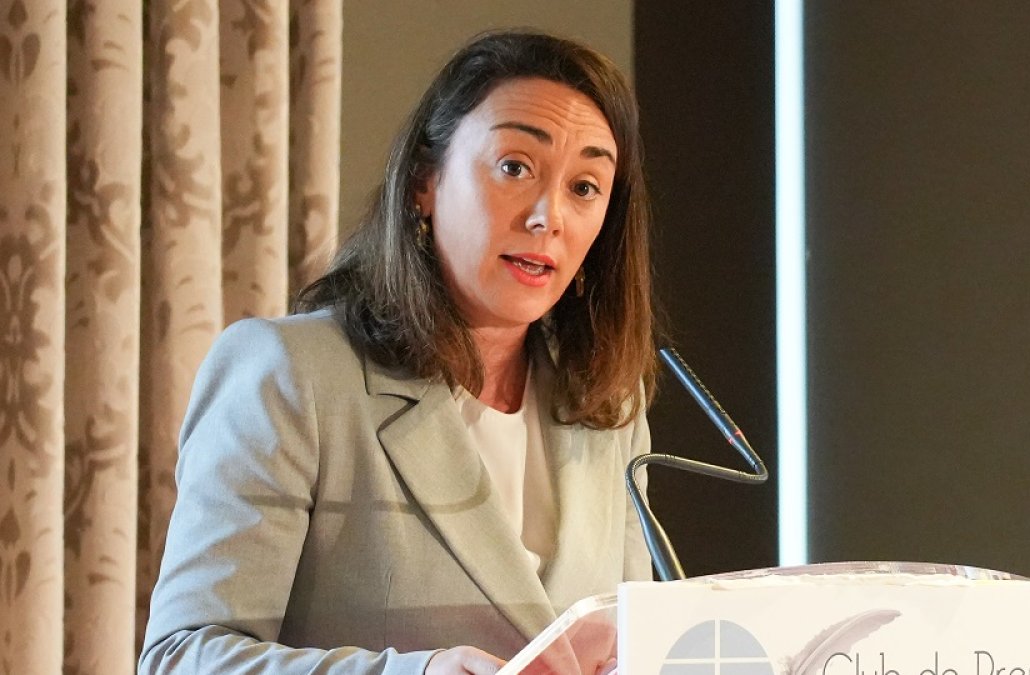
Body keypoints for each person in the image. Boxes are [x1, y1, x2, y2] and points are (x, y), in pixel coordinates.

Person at [139, 30, 658, 675]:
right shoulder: (291, 374)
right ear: (424, 181)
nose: (548, 216)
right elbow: (182, 659)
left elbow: (638, 636)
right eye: (515, 167)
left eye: (585, 187)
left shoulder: (605, 401)